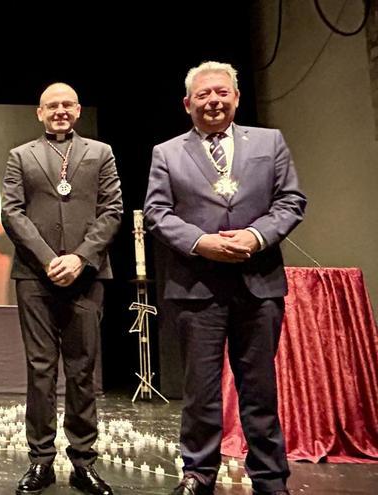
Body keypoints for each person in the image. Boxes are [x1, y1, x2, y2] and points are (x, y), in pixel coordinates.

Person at [144, 61, 306, 495]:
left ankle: (270, 477)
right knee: (200, 390)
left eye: (221, 92)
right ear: (187, 103)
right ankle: (198, 473)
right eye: (203, 95)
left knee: (260, 388)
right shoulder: (167, 152)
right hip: (197, 287)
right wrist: (203, 243)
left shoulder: (270, 142)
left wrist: (255, 237)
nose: (213, 100)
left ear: (235, 97)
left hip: (259, 283)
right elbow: (157, 214)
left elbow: (291, 200)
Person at [1, 83, 122, 495]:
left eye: (67, 104)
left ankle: (84, 462)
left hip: (87, 276)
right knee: (40, 370)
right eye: (51, 105)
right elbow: (11, 212)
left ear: (78, 110)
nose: (59, 111)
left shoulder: (100, 152)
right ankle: (40, 461)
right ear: (39, 112)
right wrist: (49, 257)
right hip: (35, 276)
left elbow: (112, 211)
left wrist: (80, 258)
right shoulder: (21, 155)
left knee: (82, 369)